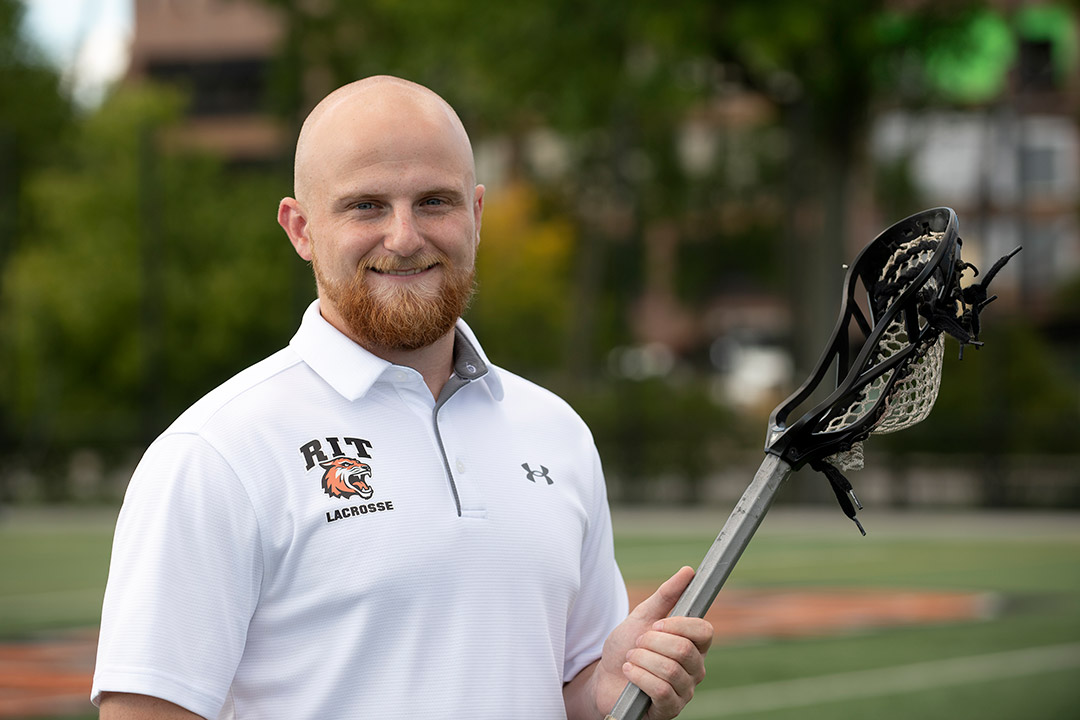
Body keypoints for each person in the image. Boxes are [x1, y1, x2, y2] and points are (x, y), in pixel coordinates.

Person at [92, 75, 713, 720]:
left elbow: (565, 692)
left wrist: (607, 692)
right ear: (301, 229)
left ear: (475, 216)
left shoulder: (556, 432)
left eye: (434, 202)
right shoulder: (216, 453)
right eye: (365, 206)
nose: (405, 236)